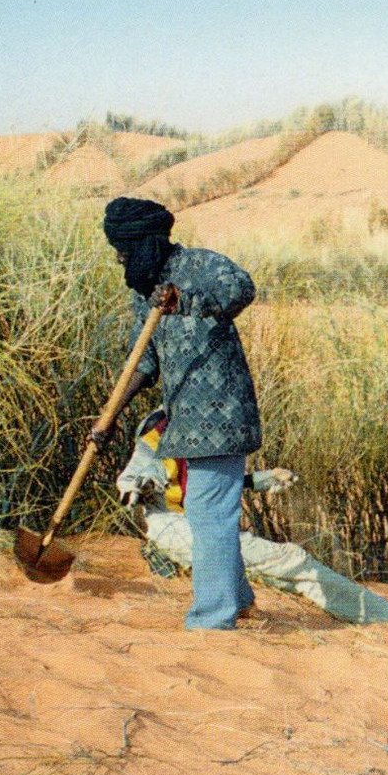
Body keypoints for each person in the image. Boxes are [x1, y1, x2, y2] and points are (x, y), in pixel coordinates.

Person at [89, 197, 262, 630]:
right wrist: (107, 418)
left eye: (123, 249)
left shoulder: (202, 265)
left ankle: (212, 619)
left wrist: (183, 299)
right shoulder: (145, 291)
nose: (118, 258)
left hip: (223, 417)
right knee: (211, 513)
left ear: (144, 242)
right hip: (184, 423)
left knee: (207, 511)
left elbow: (241, 289)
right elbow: (142, 361)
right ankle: (237, 599)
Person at [115, 408, 388, 625]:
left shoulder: (205, 428)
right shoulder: (158, 431)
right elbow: (140, 472)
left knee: (289, 574)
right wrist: (135, 485)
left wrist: (261, 480)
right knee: (292, 559)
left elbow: (204, 484)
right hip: (179, 529)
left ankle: (379, 613)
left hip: (201, 528)